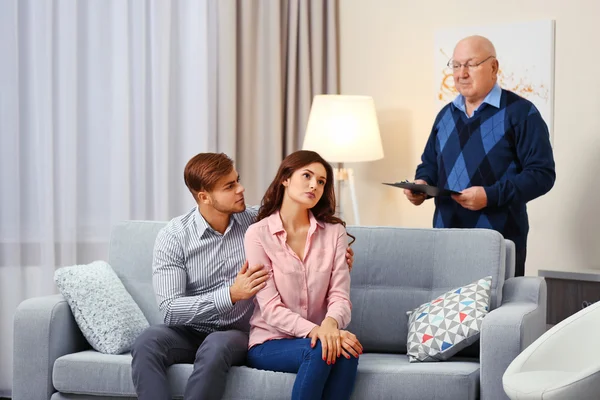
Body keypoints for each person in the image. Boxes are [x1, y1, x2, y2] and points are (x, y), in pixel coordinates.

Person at [130, 152, 355, 400]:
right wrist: (231, 295)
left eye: (237, 180)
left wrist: (334, 259)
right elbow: (170, 309)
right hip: (189, 330)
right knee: (146, 342)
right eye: (230, 186)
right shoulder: (174, 236)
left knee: (216, 347)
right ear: (204, 197)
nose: (241, 189)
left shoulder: (255, 221)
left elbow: (292, 221)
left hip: (235, 331)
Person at [404, 35, 555, 277]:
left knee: (495, 314)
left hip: (498, 244)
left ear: (493, 67)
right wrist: (421, 185)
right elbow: (430, 165)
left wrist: (490, 196)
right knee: (447, 314)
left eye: (471, 64)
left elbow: (542, 175)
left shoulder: (522, 113)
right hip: (445, 243)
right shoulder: (445, 115)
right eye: (455, 65)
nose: (461, 73)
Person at [244, 150, 363, 400]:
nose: (314, 185)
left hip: (321, 336)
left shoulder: (335, 233)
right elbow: (271, 308)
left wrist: (330, 325)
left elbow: (340, 297)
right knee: (321, 350)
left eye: (321, 181)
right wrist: (317, 332)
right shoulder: (258, 234)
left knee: (348, 351)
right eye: (307, 175)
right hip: (270, 342)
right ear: (285, 178)